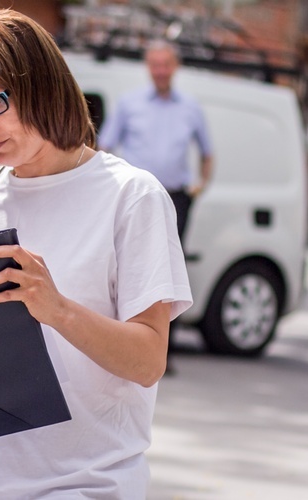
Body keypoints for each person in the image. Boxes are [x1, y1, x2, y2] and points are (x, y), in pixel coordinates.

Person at [0, 9, 191, 499]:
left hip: (78, 485)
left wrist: (57, 308)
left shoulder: (130, 195)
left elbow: (148, 360)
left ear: (40, 86)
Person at [98, 39, 213, 373]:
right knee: (128, 266)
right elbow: (104, 145)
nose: (161, 70)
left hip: (176, 198)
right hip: (135, 199)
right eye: (155, 64)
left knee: (170, 273)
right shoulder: (129, 104)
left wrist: (199, 187)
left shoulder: (190, 107)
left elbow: (208, 152)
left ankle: (163, 352)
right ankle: (122, 344)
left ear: (174, 67)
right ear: (149, 67)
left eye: (166, 64)